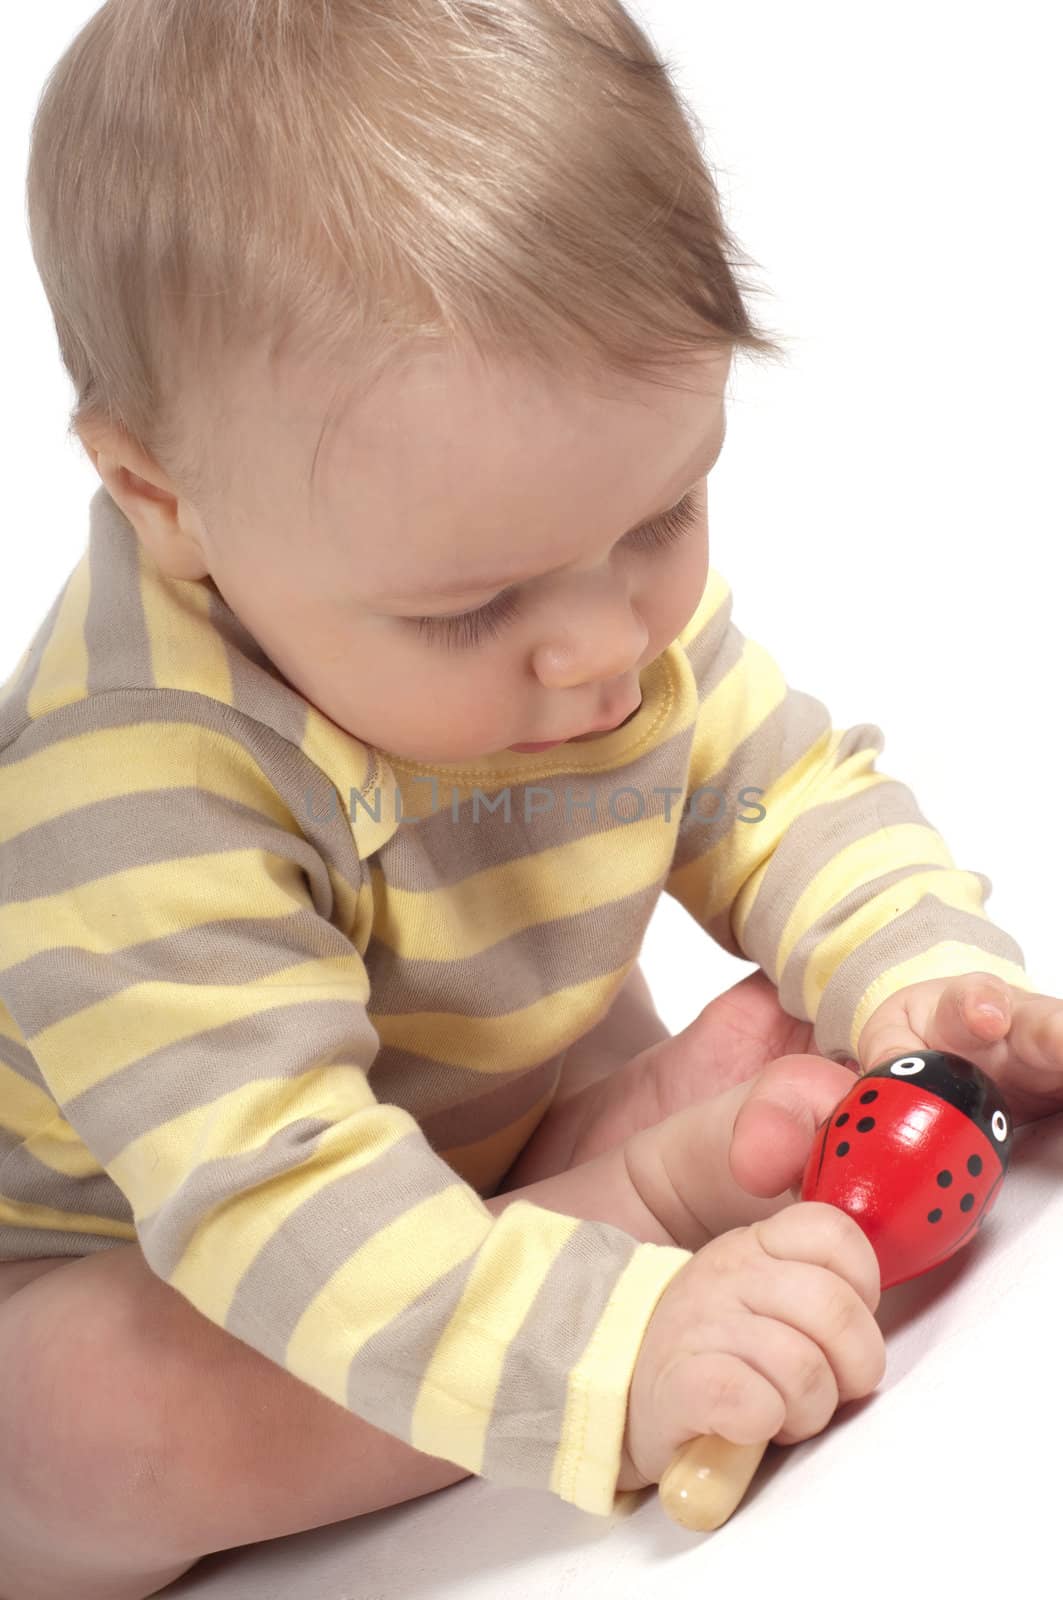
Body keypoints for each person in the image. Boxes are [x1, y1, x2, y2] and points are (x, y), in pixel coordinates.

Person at [2, 4, 1059, 1597]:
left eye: (664, 514)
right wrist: (611, 1362)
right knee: (80, 1417)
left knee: (776, 1031)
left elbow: (781, 789)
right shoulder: (125, 805)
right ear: (167, 501)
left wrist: (923, 974)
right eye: (470, 608)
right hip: (171, 1248)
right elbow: (280, 1202)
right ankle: (595, 1255)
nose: (607, 646)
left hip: (456, 1132)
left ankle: (604, 1192)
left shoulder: (571, 589)